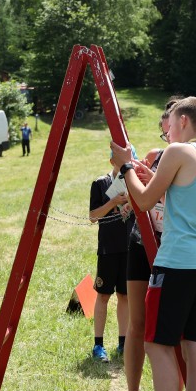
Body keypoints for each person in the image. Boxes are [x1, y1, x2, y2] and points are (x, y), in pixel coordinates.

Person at [112, 96, 196, 391]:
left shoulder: (177, 150)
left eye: (170, 122)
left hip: (176, 260)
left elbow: (142, 202)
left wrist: (125, 165)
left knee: (157, 345)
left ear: (185, 121)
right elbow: (175, 193)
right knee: (195, 350)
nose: (167, 128)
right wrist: (142, 170)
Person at [121, 100, 185, 391]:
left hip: (172, 247)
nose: (167, 123)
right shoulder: (153, 156)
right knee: (137, 322)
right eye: (165, 117)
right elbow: (137, 195)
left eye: (172, 116)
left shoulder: (193, 158)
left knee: (174, 328)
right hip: (141, 242)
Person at [89, 148, 136, 362]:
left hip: (130, 248)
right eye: (122, 162)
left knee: (125, 296)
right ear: (111, 161)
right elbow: (93, 216)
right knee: (103, 295)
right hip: (108, 249)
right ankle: (98, 345)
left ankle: (123, 342)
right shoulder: (100, 183)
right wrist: (113, 203)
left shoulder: (136, 184)